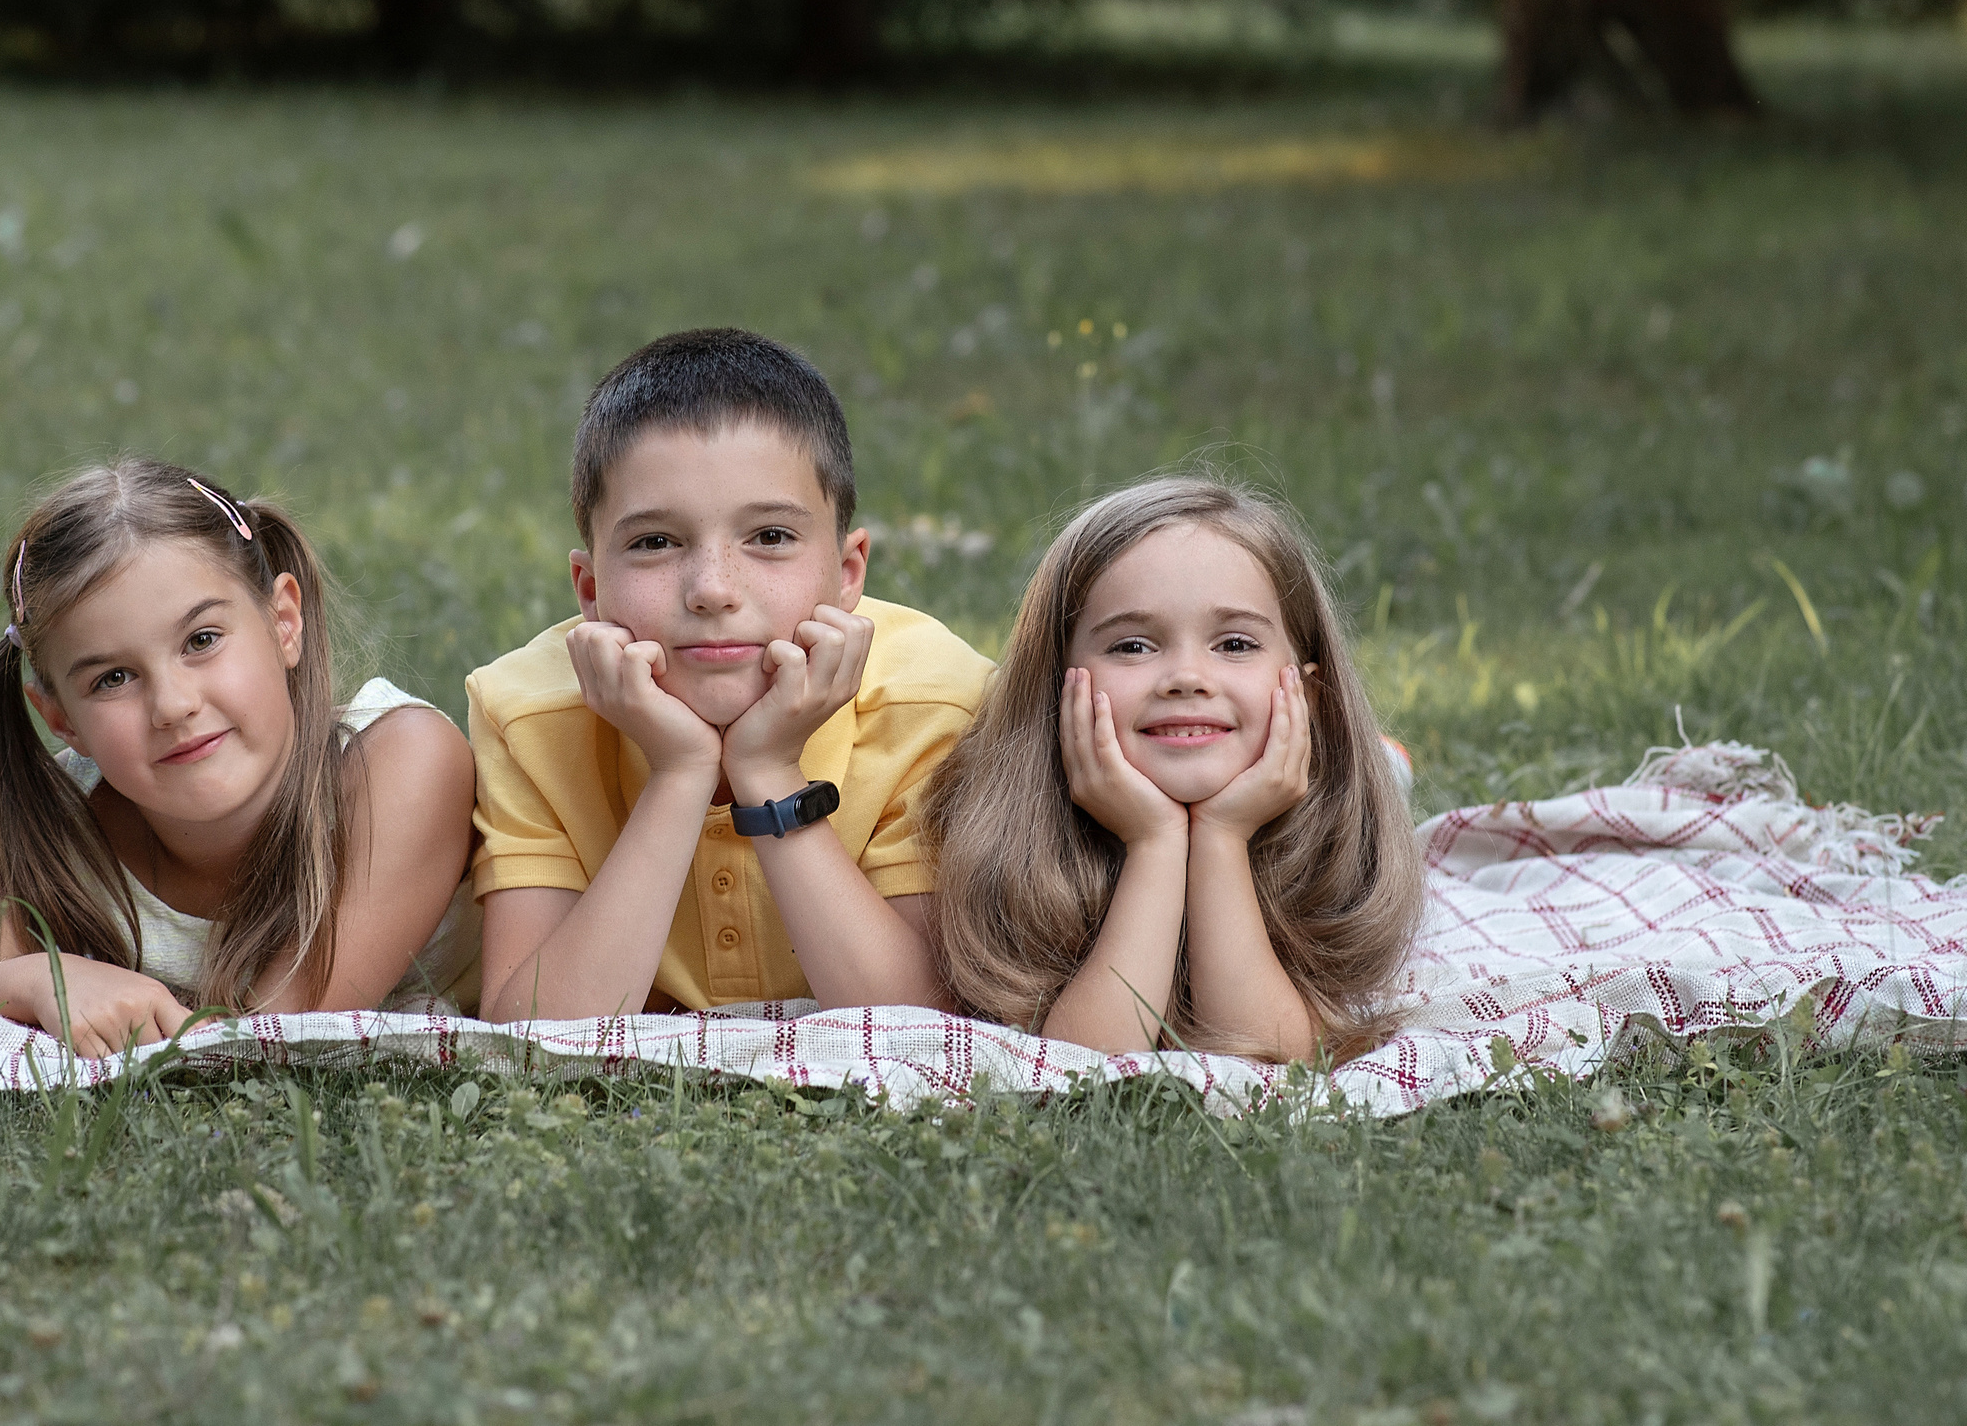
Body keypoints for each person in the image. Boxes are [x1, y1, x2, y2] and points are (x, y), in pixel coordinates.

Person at [469, 328, 993, 1020]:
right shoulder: (529, 715)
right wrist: (680, 773)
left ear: (847, 576)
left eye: (770, 537)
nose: (712, 589)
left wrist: (771, 769)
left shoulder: (936, 702)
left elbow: (918, 1028)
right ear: (589, 589)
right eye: (655, 542)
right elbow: (531, 1037)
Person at [0, 458, 476, 1056]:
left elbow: (272, 1041)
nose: (171, 705)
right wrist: (41, 977)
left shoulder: (405, 762)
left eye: (201, 640)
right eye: (113, 678)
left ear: (283, 623)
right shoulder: (70, 820)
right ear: (62, 720)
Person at [925, 475, 1421, 1062]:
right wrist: (1154, 841)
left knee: (1384, 775)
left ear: (1309, 697)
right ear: (1055, 688)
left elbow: (1274, 1056)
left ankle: (1387, 762)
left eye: (1234, 644)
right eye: (1133, 646)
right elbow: (1083, 1063)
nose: (1187, 677)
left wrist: (1222, 835)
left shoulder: (1340, 848)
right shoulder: (1006, 848)